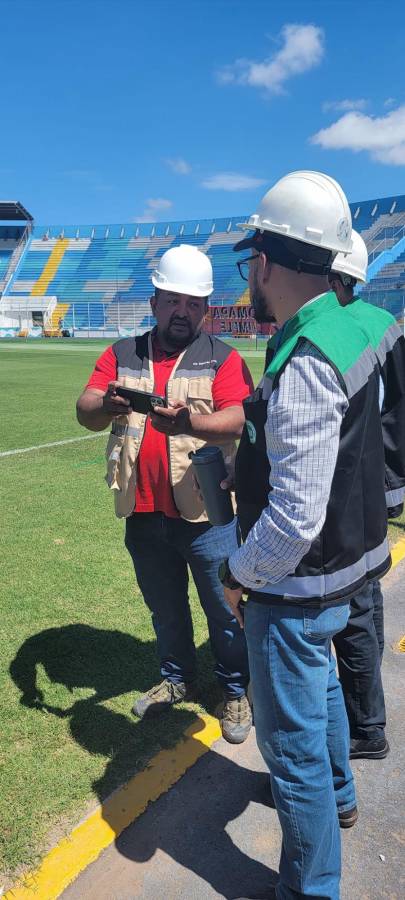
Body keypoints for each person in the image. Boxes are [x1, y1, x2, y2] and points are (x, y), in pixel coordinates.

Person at [218, 171, 391, 899]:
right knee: (321, 699)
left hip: (291, 587)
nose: (247, 278)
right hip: (343, 571)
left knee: (291, 757)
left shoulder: (306, 355)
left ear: (265, 262)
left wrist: (236, 575)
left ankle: (310, 889)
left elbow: (292, 517)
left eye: (248, 263)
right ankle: (343, 795)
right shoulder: (352, 322)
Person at [76, 244, 253, 744]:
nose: (182, 311)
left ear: (206, 309)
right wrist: (107, 404)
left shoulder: (223, 357)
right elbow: (85, 408)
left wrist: (190, 422)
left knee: (225, 608)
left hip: (206, 514)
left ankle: (235, 689)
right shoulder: (121, 353)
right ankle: (175, 679)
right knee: (164, 605)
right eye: (173, 300)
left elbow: (239, 417)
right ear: (155, 302)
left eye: (192, 303)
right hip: (144, 511)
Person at [328, 229, 405, 760]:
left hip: (344, 493)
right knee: (369, 594)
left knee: (351, 604)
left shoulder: (323, 330)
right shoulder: (385, 325)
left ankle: (367, 728)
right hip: (381, 487)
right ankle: (369, 703)